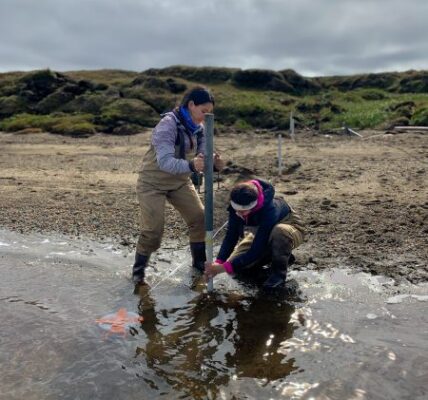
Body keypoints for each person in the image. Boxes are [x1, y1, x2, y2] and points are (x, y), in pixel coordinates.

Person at [132, 86, 224, 284]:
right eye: (204, 112)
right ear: (191, 105)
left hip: (180, 182)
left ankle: (198, 264)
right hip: (152, 183)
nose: (206, 117)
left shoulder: (201, 127)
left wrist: (213, 163)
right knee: (153, 232)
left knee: (200, 218)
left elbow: (202, 156)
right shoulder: (167, 125)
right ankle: (138, 273)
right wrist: (192, 165)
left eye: (209, 113)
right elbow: (165, 162)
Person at [204, 179, 306, 289]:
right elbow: (230, 237)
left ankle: (278, 276)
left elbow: (256, 249)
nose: (238, 214)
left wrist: (222, 269)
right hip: (260, 233)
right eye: (236, 209)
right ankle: (280, 257)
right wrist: (219, 263)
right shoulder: (238, 205)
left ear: (254, 206)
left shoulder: (270, 210)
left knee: (279, 232)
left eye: (242, 211)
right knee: (236, 268)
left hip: (289, 227)